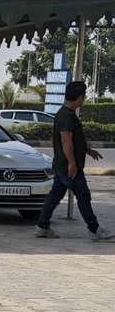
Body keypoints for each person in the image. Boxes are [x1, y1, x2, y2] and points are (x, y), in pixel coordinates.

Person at [35, 81, 112, 240]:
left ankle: (42, 226)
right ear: (78, 97)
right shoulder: (67, 116)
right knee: (83, 196)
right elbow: (66, 141)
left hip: (61, 165)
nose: (84, 100)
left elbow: (75, 140)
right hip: (68, 167)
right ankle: (95, 230)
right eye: (83, 96)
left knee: (54, 197)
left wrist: (88, 150)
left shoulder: (65, 114)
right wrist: (72, 163)